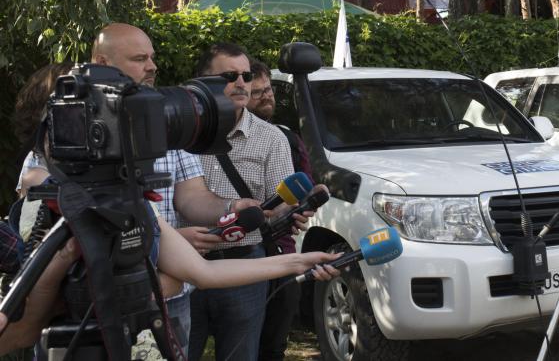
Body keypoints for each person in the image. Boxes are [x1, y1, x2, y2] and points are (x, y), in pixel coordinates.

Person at [14, 23, 254, 354]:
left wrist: (231, 207)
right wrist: (154, 239)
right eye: (140, 59)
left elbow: (193, 197)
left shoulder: (172, 122)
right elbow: (42, 204)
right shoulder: (67, 130)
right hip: (84, 311)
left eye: (152, 57)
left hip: (169, 302)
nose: (152, 67)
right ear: (102, 62)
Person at [0, 208, 342, 358]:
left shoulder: (136, 209)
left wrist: (297, 261)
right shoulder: (43, 207)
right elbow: (19, 332)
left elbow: (203, 274)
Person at [188, 43, 299, 361]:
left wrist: (292, 211)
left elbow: (281, 205)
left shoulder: (272, 138)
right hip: (184, 265)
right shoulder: (181, 133)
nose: (241, 83)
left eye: (246, 76)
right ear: (203, 81)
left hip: (244, 267)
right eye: (229, 76)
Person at [247, 59, 309, 361]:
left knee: (273, 343)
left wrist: (304, 206)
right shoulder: (216, 143)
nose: (267, 97)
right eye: (257, 92)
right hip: (242, 255)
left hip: (281, 252)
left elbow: (305, 187)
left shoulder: (288, 138)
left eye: (269, 90)